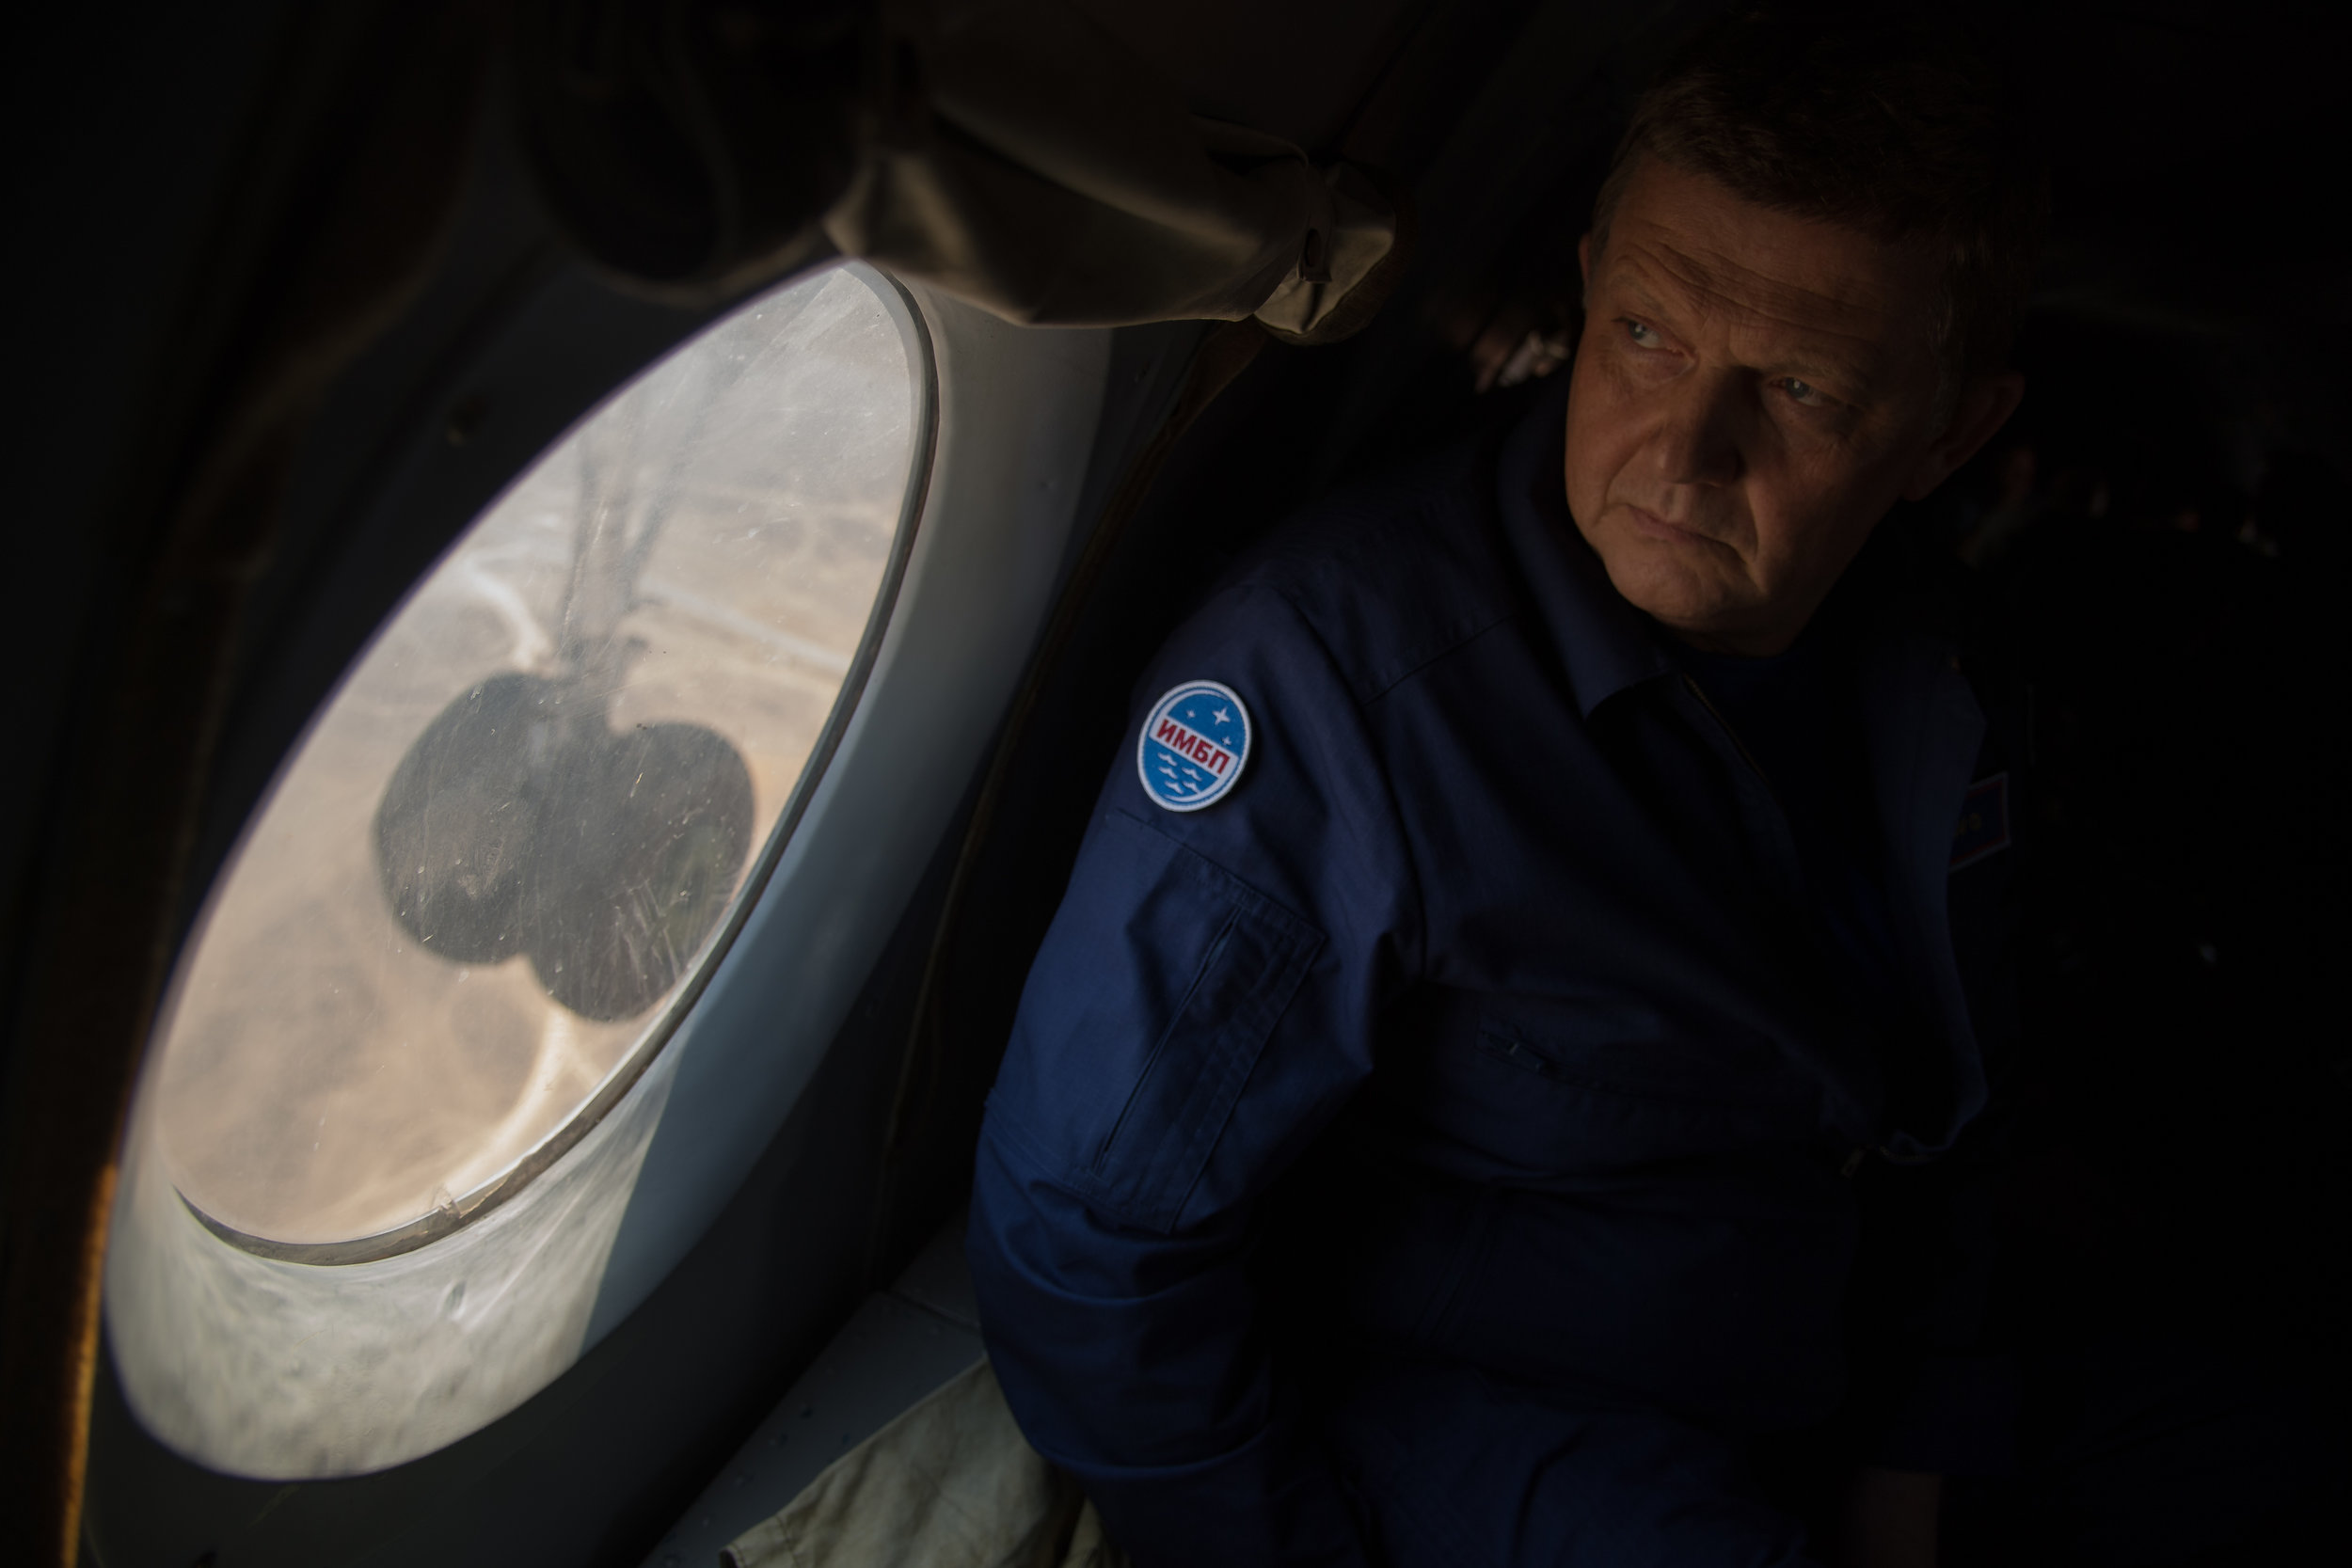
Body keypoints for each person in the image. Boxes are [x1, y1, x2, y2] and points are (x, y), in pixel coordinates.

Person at [967, 9, 2042, 1565]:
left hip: (1824, 1353)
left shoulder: (1940, 673)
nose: (1685, 456)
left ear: (1949, 434)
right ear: (1592, 277)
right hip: (1489, 1419)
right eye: (1649, 337)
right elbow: (1089, 1230)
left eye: (1802, 392)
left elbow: (1957, 1101)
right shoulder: (1339, 686)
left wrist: (1912, 1462)